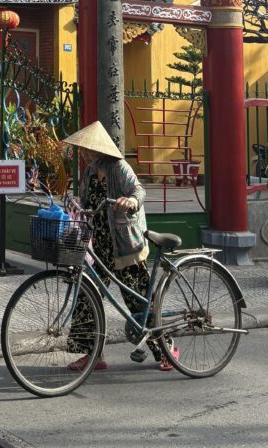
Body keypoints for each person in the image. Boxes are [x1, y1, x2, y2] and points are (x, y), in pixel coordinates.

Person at [63, 120, 178, 372]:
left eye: (87, 150)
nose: (84, 154)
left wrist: (131, 201)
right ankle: (92, 355)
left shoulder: (119, 168)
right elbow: (86, 200)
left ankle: (167, 349)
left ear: (99, 150)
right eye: (82, 150)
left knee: (139, 301)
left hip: (125, 245)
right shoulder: (91, 173)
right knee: (86, 298)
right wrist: (75, 201)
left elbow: (139, 190)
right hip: (98, 248)